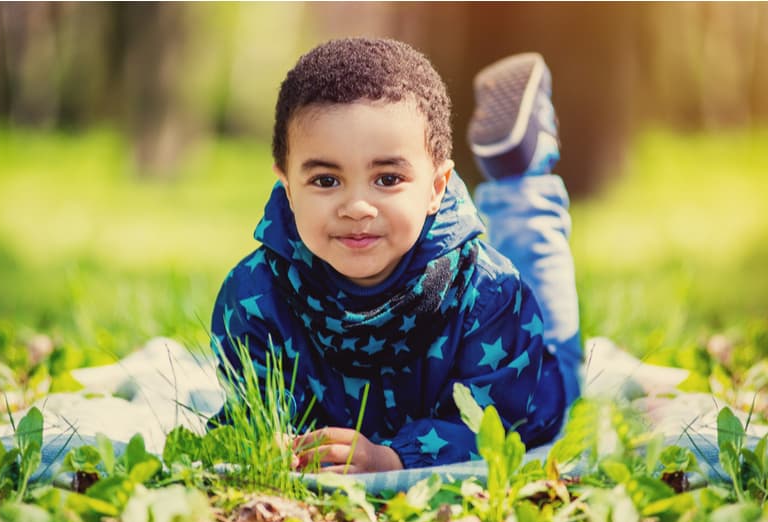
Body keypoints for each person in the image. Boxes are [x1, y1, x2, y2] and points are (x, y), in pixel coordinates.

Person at [210, 37, 582, 473]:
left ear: (436, 187)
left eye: (387, 178)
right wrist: (270, 443)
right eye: (326, 181)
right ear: (287, 186)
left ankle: (520, 172)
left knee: (545, 305)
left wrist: (394, 458)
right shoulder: (254, 298)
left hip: (529, 376)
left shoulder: (493, 293)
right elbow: (254, 410)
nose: (356, 207)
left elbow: (500, 424)